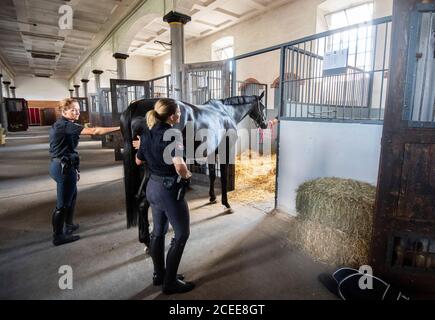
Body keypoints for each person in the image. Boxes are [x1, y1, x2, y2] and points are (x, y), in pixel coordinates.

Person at [134, 98, 194, 295]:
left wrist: (145, 148)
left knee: (158, 231)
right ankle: (170, 283)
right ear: (172, 116)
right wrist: (187, 175)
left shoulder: (146, 130)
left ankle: (159, 275)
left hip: (152, 187)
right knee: (182, 233)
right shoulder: (174, 134)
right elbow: (179, 166)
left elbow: (137, 160)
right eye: (178, 112)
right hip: (168, 191)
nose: (180, 115)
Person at [49, 98, 120, 246]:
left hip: (67, 166)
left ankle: (69, 226)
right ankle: (58, 236)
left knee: (72, 197)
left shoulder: (70, 124)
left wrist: (75, 169)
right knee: (62, 204)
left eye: (78, 109)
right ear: (64, 111)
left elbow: (70, 150)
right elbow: (94, 131)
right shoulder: (64, 125)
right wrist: (120, 128)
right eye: (73, 109)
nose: (77, 112)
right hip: (62, 168)